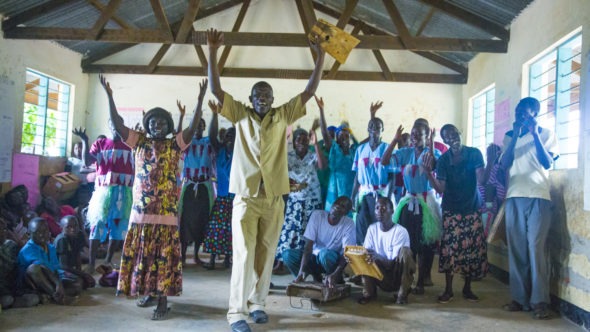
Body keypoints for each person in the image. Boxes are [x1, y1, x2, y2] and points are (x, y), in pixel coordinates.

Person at [207, 27, 325, 332]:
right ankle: (237, 313)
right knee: (243, 254)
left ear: (273, 100)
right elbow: (216, 92)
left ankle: (257, 303)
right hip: (245, 197)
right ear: (251, 98)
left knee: (266, 251)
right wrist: (212, 52)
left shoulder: (283, 115)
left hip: (274, 197)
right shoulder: (240, 114)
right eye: (258, 95)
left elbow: (309, 91)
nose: (262, 98)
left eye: (267, 95)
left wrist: (321, 56)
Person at [98, 74, 207, 320]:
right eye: (154, 122)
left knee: (163, 255)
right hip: (141, 211)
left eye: (163, 123)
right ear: (147, 126)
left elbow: (191, 128)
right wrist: (110, 96)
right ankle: (147, 290)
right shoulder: (139, 143)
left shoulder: (175, 145)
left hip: (165, 213)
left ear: (169, 126)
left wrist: (200, 100)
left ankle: (162, 299)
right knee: (143, 254)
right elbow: (117, 124)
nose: (158, 126)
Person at [498, 97, 558, 319]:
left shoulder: (546, 134)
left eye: (526, 112)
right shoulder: (509, 137)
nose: (520, 115)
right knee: (517, 249)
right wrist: (515, 136)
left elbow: (547, 163)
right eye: (518, 111)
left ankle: (540, 301)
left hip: (538, 196)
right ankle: (519, 298)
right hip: (514, 196)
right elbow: (504, 164)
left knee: (536, 248)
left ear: (535, 114)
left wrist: (533, 134)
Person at [423, 124, 488, 303]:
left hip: (472, 208)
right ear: (444, 140)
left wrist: (490, 161)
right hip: (451, 209)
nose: (452, 137)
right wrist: (429, 174)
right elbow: (441, 188)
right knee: (449, 250)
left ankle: (467, 288)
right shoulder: (444, 160)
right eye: (448, 136)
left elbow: (481, 179)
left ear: (460, 133)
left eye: (454, 133)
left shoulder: (474, 154)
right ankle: (449, 289)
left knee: (471, 250)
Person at [381, 121, 442, 295]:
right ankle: (409, 278)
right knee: (409, 242)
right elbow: (385, 161)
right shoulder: (405, 152)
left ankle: (422, 279)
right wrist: (394, 140)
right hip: (408, 202)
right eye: (413, 133)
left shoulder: (432, 151)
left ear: (426, 136)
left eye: (419, 134)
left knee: (425, 243)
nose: (414, 136)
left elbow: (433, 165)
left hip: (426, 201)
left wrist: (430, 145)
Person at [80, 115, 135, 273]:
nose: (116, 126)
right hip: (104, 191)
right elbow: (87, 161)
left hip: (124, 192)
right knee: (97, 226)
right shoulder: (101, 143)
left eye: (119, 123)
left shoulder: (131, 145)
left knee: (118, 226)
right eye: (113, 123)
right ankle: (91, 263)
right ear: (110, 126)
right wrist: (85, 140)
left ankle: (107, 260)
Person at [276, 128, 324, 268]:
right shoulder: (289, 156)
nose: (302, 142)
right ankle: (282, 262)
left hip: (312, 200)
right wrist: (284, 141)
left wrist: (316, 145)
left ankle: (311, 263)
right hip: (295, 200)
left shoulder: (312, 155)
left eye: (305, 140)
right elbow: (279, 168)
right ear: (294, 142)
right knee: (290, 231)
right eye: (298, 140)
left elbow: (322, 166)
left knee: (310, 233)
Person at [282, 196, 355, 287]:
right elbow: (308, 247)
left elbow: (347, 253)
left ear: (346, 213)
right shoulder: (317, 215)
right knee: (288, 255)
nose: (338, 206)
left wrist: (337, 273)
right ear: (332, 204)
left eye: (343, 206)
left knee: (324, 254)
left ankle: (334, 278)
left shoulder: (349, 224)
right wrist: (301, 271)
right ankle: (313, 276)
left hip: (330, 260)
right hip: (315, 257)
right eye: (337, 203)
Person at [358, 196, 415, 305]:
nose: (380, 211)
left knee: (406, 252)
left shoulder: (400, 231)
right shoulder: (372, 229)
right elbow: (366, 254)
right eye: (377, 208)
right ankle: (369, 293)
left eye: (384, 208)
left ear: (392, 211)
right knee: (364, 255)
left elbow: (391, 264)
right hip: (380, 275)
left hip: (396, 276)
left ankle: (402, 294)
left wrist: (378, 257)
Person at [178, 99, 215, 265]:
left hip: (203, 187)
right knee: (185, 219)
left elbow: (215, 135)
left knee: (202, 220)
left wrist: (215, 114)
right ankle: (183, 254)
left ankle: (196, 255)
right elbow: (178, 135)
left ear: (204, 128)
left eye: (201, 125)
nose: (198, 128)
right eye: (196, 125)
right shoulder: (186, 143)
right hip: (188, 186)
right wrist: (181, 117)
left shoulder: (208, 143)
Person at [351, 107, 395, 246]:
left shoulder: (387, 149)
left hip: (381, 194)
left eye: (378, 127)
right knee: (362, 225)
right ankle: (362, 260)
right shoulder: (360, 149)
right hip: (364, 194)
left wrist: (387, 197)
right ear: (368, 129)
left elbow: (392, 176)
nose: (374, 129)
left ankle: (379, 261)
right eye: (371, 126)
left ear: (382, 130)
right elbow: (357, 175)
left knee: (380, 226)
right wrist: (353, 196)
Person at [203, 101, 236, 270]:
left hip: (236, 198)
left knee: (232, 229)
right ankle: (212, 260)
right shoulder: (220, 150)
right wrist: (215, 114)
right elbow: (212, 134)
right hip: (222, 196)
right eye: (228, 136)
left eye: (234, 136)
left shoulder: (241, 153)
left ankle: (228, 260)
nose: (230, 139)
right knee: (216, 228)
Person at [17, 217, 80, 305]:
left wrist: (62, 281)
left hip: (49, 279)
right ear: (29, 233)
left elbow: (55, 269)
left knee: (77, 285)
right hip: (31, 284)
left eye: (45, 231)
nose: (42, 235)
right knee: (34, 269)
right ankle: (60, 298)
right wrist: (58, 283)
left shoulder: (50, 247)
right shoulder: (28, 249)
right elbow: (42, 268)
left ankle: (47, 296)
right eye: (38, 232)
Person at [315, 96, 356, 211]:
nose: (344, 138)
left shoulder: (354, 151)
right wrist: (321, 110)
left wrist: (372, 115)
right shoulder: (334, 150)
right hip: (335, 191)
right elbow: (324, 132)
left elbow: (369, 140)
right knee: (334, 217)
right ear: (336, 139)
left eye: (346, 136)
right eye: (341, 136)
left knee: (349, 220)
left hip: (350, 191)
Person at [0, 217, 39, 309]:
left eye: (4, 229)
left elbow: (21, 263)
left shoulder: (10, 245)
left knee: (34, 298)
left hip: (13, 287)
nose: (2, 233)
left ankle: (10, 302)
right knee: (7, 300)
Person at [54, 215, 95, 289]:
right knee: (78, 285)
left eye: (75, 226)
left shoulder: (79, 234)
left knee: (89, 282)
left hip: (70, 268)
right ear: (62, 229)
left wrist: (80, 272)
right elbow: (63, 266)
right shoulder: (62, 240)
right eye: (68, 227)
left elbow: (77, 254)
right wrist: (82, 274)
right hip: (60, 270)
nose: (73, 229)